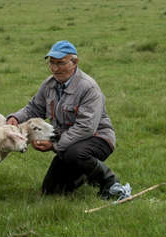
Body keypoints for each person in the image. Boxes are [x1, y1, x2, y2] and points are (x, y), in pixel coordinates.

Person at [7, 40, 124, 199]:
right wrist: (15, 117)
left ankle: (110, 183)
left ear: (74, 62)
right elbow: (35, 108)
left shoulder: (88, 88)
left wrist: (54, 145)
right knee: (51, 192)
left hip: (97, 138)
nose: (54, 68)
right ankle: (86, 174)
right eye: (52, 63)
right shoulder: (49, 85)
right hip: (68, 142)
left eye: (60, 63)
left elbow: (86, 128)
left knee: (74, 154)